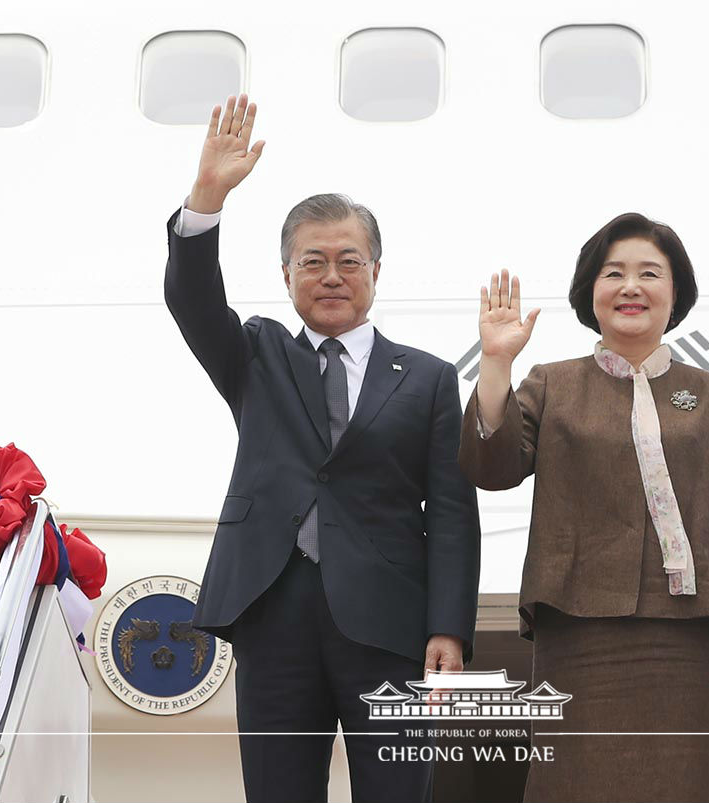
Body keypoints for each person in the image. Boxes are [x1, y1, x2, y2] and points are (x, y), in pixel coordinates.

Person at [163, 93, 481, 803]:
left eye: (348, 260)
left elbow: (453, 510)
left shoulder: (427, 376)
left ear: (375, 271)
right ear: (286, 276)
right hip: (274, 607)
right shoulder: (256, 354)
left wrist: (448, 629)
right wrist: (208, 196)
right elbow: (191, 298)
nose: (331, 275)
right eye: (313, 261)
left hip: (390, 620)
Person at [457, 212, 709, 802]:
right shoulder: (551, 383)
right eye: (614, 273)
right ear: (591, 293)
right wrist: (496, 364)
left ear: (674, 293)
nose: (631, 286)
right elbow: (492, 469)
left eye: (649, 273)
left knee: (693, 784)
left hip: (689, 637)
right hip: (578, 631)